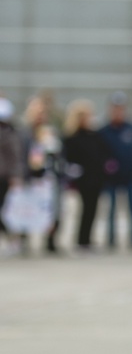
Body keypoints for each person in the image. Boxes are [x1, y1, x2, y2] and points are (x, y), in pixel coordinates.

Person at [98, 91, 132, 251]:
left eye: (121, 108)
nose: (118, 112)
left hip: (131, 175)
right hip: (111, 177)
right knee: (111, 209)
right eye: (115, 108)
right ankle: (111, 240)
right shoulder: (104, 131)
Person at [61, 99, 111, 254]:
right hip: (83, 179)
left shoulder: (95, 135)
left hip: (96, 178)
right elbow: (69, 158)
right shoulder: (72, 137)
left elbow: (103, 153)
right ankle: (81, 240)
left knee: (93, 210)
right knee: (85, 209)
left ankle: (88, 239)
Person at [19, 95, 64, 255]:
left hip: (48, 176)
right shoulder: (24, 132)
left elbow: (59, 154)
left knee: (52, 209)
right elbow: (21, 154)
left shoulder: (50, 131)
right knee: (27, 208)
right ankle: (24, 240)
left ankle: (51, 240)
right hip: (30, 176)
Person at [0, 96, 23, 256]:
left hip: (3, 176)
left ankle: (12, 237)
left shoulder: (9, 133)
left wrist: (15, 176)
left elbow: (15, 157)